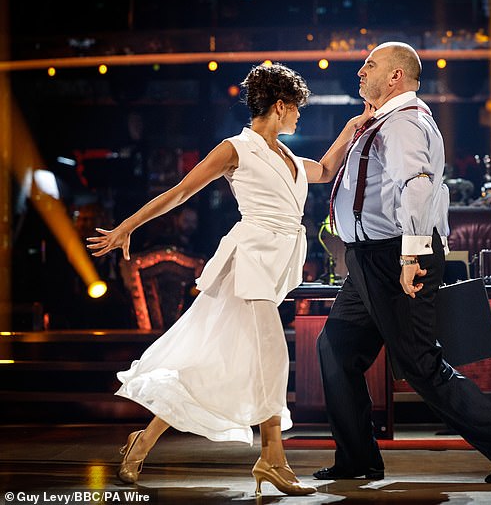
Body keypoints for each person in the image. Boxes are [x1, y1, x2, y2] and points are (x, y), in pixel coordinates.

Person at [86, 62, 370, 496]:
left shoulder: (289, 156)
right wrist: (128, 226)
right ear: (280, 106)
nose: (299, 117)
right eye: (296, 110)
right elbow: (180, 191)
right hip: (248, 264)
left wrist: (354, 125)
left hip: (273, 267)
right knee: (272, 354)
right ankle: (272, 458)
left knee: (210, 366)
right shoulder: (236, 148)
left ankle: (140, 442)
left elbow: (327, 170)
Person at [313, 42, 491, 484]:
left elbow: (416, 188)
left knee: (419, 363)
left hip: (396, 254)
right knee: (336, 349)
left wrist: (411, 255)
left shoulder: (403, 123)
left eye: (370, 65)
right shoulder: (377, 122)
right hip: (369, 259)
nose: (361, 71)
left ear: (396, 76)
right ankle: (357, 458)